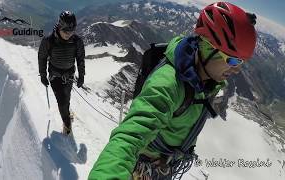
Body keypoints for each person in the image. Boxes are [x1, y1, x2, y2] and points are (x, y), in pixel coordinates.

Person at [89, 2, 257, 180]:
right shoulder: (168, 83)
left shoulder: (204, 78)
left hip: (164, 165)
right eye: (232, 61)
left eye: (241, 63)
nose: (237, 69)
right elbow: (128, 137)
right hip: (145, 170)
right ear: (207, 48)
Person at [38, 10, 85, 135]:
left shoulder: (76, 41)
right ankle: (67, 125)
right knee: (62, 101)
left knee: (67, 98)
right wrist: (43, 75)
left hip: (69, 76)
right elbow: (42, 57)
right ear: (59, 26)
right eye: (65, 31)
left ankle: (67, 115)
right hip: (55, 76)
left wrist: (81, 75)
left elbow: (80, 59)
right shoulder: (49, 41)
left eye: (71, 31)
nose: (68, 34)